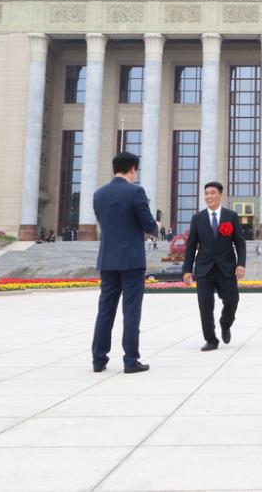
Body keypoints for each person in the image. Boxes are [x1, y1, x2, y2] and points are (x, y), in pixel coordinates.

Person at [91, 151, 159, 374]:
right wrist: (156, 225)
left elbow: (104, 222)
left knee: (105, 310)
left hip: (107, 259)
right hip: (131, 261)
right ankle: (130, 360)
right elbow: (148, 224)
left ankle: (98, 359)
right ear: (133, 169)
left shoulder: (99, 194)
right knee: (131, 311)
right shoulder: (135, 192)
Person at [182, 181, 247, 351]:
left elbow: (240, 243)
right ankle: (211, 339)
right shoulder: (198, 218)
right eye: (206, 193)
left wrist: (241, 264)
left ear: (220, 195)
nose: (209, 196)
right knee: (205, 305)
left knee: (232, 300)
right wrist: (187, 270)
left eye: (212, 193)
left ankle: (225, 323)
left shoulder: (231, 216)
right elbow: (191, 246)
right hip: (204, 268)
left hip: (226, 267)